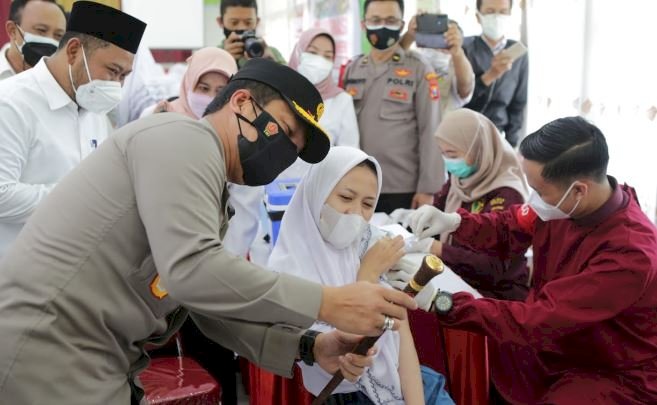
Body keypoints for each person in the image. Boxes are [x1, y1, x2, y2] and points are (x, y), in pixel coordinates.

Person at [0, 57, 418, 404]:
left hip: (90, 357)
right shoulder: (183, 140)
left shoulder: (212, 183)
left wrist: (308, 346)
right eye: (286, 131)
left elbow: (203, 301)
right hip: (52, 353)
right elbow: (194, 270)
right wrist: (326, 302)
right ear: (241, 102)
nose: (287, 151)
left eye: (296, 146)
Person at [409, 116, 657, 404]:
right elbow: (508, 225)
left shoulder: (629, 254)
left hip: (611, 369)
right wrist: (454, 222)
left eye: (539, 191)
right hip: (559, 343)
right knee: (472, 353)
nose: (534, 200)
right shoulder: (563, 206)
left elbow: (542, 318)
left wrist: (444, 301)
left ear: (579, 189)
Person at [392, 108, 529, 404]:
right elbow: (437, 212)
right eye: (442, 152)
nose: (448, 161)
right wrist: (413, 222)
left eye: (453, 152)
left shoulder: (508, 194)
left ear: (478, 149)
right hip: (456, 282)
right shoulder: (459, 180)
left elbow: (496, 268)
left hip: (496, 298)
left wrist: (437, 249)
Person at [270, 146, 424, 405]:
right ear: (318, 192)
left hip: (402, 384)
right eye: (345, 197)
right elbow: (341, 354)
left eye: (367, 204)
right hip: (342, 394)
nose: (355, 213)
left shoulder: (367, 244)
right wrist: (368, 275)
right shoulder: (287, 269)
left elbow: (401, 336)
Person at [0, 1, 146, 258]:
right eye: (113, 71)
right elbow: (2, 194)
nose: (116, 85)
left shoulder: (93, 109)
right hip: (15, 276)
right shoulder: (11, 102)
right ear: (74, 51)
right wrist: (80, 198)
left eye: (124, 76)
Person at [342, 0, 443, 213]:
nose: (383, 26)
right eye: (375, 20)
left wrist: (428, 189)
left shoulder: (419, 68)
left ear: (401, 24)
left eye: (391, 20)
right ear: (364, 25)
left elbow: (431, 130)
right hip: (355, 185)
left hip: (402, 187)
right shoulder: (353, 68)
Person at [462, 0, 528, 147]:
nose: (497, 17)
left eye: (503, 12)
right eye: (490, 12)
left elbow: (518, 104)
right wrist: (490, 76)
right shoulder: (464, 48)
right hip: (465, 134)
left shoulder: (518, 52)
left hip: (500, 137)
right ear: (478, 16)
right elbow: (458, 99)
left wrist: (512, 145)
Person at [400, 14, 475, 115]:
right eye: (435, 37)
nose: (439, 47)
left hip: (442, 127)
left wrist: (457, 52)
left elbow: (465, 88)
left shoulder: (458, 69)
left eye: (447, 41)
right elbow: (391, 61)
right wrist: (409, 36)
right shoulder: (413, 60)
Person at [141, 47, 238, 118]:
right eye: (204, 88)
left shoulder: (239, 128)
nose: (211, 98)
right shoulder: (159, 116)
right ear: (189, 84)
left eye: (220, 91)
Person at [1, 0, 66, 80]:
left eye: (58, 35)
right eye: (41, 30)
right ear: (13, 30)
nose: (50, 40)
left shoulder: (67, 83)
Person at [217, 0, 285, 68]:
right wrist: (224, 60)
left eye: (248, 23)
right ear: (220, 22)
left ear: (257, 22)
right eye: (234, 22)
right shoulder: (212, 56)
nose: (242, 28)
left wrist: (272, 65)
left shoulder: (272, 53)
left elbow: (291, 78)